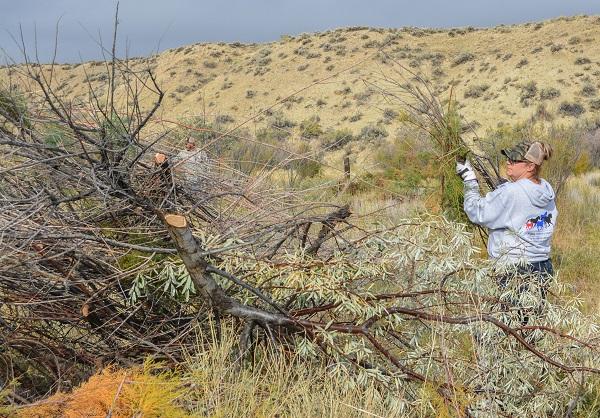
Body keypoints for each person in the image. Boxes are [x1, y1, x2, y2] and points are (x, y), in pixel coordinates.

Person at [456, 141, 557, 313]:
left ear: (530, 166)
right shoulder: (545, 189)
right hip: (542, 268)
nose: (508, 162)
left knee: (506, 329)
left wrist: (469, 179)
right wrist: (504, 189)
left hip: (513, 271)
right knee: (531, 329)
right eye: (508, 158)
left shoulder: (512, 192)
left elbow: (476, 211)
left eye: (514, 160)